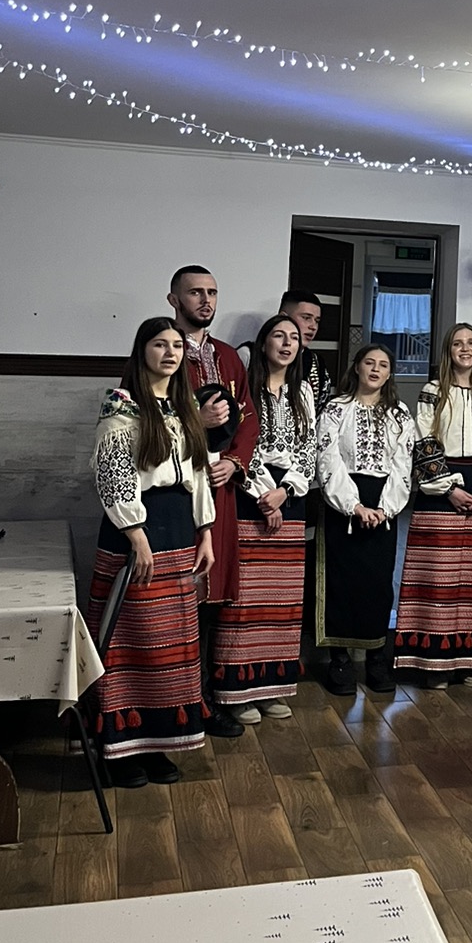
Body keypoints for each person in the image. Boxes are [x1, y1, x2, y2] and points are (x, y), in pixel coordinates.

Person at [87, 317, 215, 787]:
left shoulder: (184, 406)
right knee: (132, 639)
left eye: (177, 345)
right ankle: (120, 749)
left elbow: (198, 473)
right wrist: (136, 535)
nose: (170, 353)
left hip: (179, 530)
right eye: (160, 344)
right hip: (136, 529)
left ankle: (160, 740)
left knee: (171, 644)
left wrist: (205, 533)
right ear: (142, 350)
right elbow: (113, 473)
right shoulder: (122, 405)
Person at [167, 263, 257, 740]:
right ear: (173, 300)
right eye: (195, 292)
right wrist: (196, 423)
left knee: (211, 599)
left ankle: (202, 699)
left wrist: (236, 463)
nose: (205, 301)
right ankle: (171, 701)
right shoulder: (160, 350)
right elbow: (146, 416)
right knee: (174, 597)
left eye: (212, 292)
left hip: (220, 490)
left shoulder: (226, 356)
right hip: (174, 491)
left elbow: (249, 417)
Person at [212, 314, 316, 723]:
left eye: (294, 338)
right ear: (263, 343)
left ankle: (272, 687)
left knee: (281, 600)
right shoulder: (244, 386)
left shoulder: (303, 391)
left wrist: (284, 492)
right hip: (247, 496)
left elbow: (308, 449)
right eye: (279, 336)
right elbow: (238, 443)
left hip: (289, 498)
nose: (287, 344)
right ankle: (236, 691)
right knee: (246, 599)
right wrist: (262, 496)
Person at [316, 344, 434, 695]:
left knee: (378, 583)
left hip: (383, 504)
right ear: (357, 367)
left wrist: (385, 508)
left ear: (389, 373)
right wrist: (353, 505)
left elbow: (403, 463)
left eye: (383, 364)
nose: (376, 369)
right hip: (344, 503)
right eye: (369, 362)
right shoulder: (335, 409)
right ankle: (340, 659)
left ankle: (376, 658)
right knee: (341, 582)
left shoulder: (399, 414)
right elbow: (328, 458)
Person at [394, 323, 472, 688]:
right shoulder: (433, 391)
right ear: (448, 350)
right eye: (458, 343)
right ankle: (434, 663)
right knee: (438, 578)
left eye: (471, 342)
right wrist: (449, 489)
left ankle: (470, 662)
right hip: (442, 489)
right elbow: (424, 440)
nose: (465, 348)